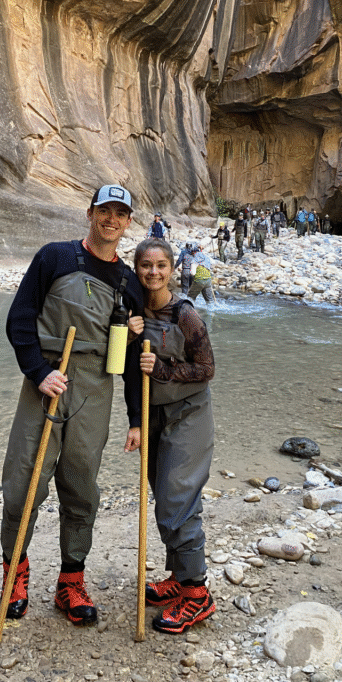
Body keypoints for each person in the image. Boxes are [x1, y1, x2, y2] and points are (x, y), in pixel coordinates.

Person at [1, 184, 145, 625]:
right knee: (24, 482)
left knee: (81, 487)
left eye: (120, 213)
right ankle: (15, 572)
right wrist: (38, 372)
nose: (111, 219)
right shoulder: (55, 257)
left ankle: (71, 579)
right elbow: (20, 319)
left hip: (96, 389)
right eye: (105, 210)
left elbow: (135, 360)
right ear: (90, 213)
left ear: (128, 223)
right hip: (48, 380)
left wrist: (136, 418)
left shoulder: (130, 282)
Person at [125, 238, 216, 634]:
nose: (153, 273)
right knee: (163, 496)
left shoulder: (185, 315)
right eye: (146, 265)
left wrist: (161, 369)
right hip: (154, 415)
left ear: (172, 268)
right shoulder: (133, 314)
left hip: (190, 415)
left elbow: (207, 368)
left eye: (161, 265)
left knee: (178, 498)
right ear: (136, 268)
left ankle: (197, 594)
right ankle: (179, 578)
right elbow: (124, 372)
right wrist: (126, 338)